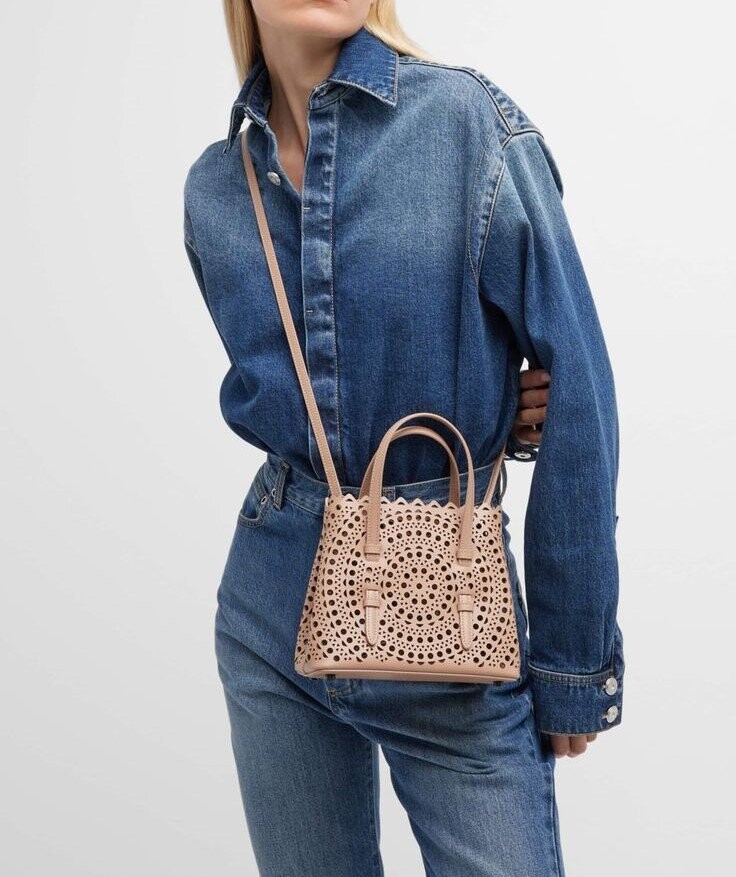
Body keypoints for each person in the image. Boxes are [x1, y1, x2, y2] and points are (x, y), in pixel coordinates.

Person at [183, 2, 624, 875]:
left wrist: (573, 660)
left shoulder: (464, 125)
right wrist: (490, 396)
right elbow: (286, 393)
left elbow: (580, 387)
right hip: (271, 604)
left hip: (447, 604)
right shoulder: (216, 186)